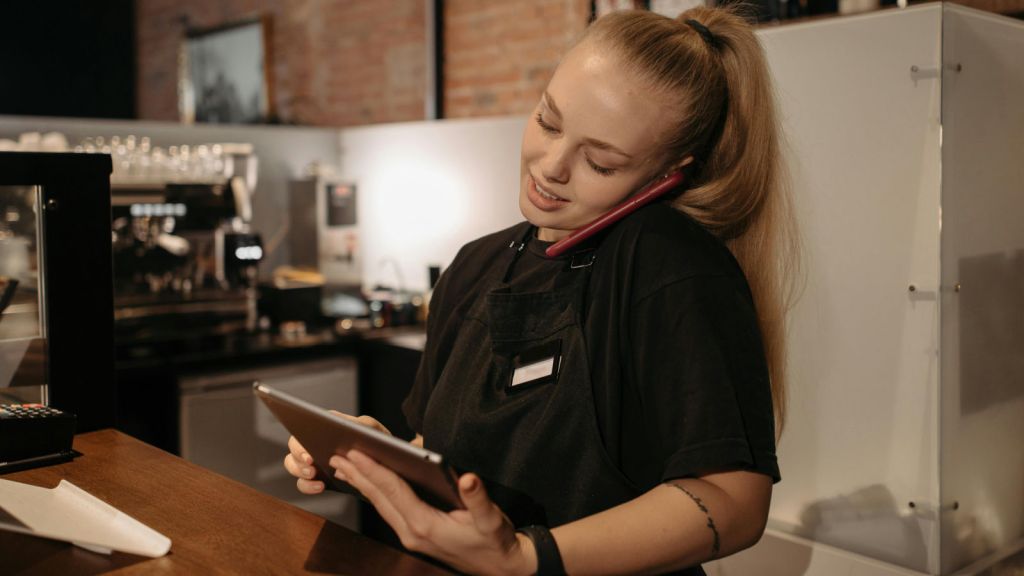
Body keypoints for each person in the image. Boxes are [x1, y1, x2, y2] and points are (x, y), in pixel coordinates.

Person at [284, 5, 798, 575]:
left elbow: (735, 502)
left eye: (601, 162)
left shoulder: (669, 264)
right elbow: (443, 456)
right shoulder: (476, 263)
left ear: (668, 172)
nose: (551, 167)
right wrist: (374, 457)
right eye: (548, 122)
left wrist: (527, 559)